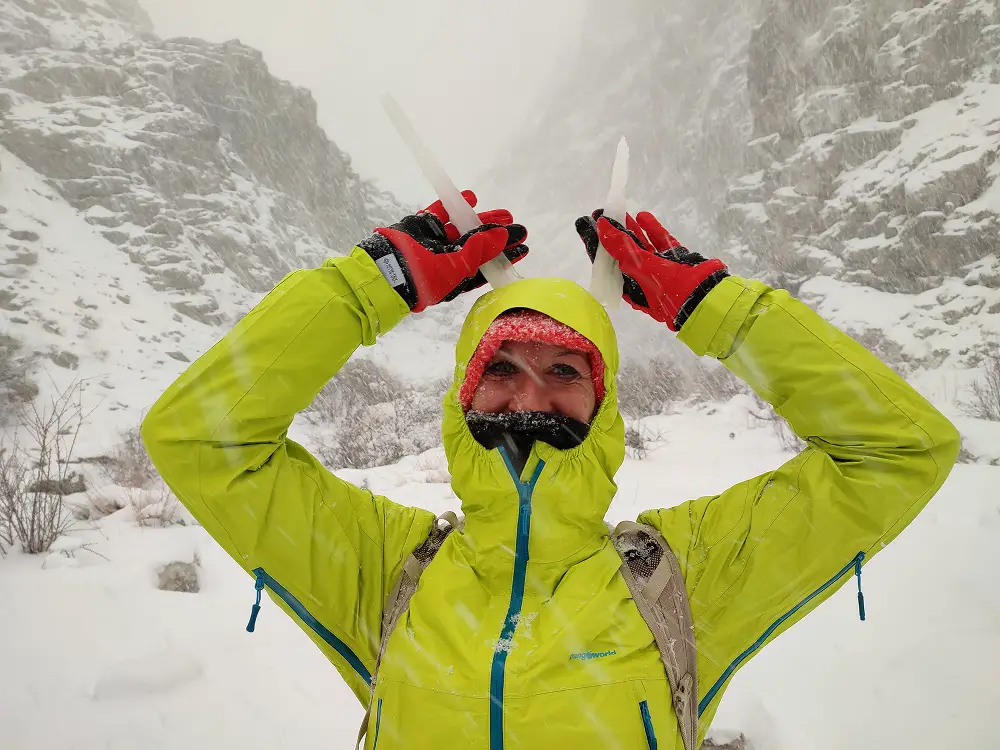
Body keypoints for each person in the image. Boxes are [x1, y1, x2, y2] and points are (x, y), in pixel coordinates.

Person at [142, 190, 960, 750]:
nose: (529, 391)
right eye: (501, 367)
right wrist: (372, 285)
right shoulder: (383, 570)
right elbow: (200, 438)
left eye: (565, 371)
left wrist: (717, 308)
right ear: (463, 388)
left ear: (603, 403)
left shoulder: (680, 583)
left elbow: (897, 449)